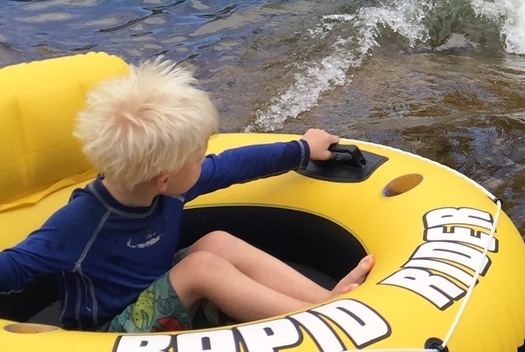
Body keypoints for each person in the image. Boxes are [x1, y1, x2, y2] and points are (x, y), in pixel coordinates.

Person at [0, 59, 374, 333]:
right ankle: (316, 320)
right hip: (108, 337)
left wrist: (303, 149)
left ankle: (324, 299)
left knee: (216, 242)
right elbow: (16, 266)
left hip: (155, 293)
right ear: (164, 179)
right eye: (198, 158)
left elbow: (233, 165)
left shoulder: (162, 187)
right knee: (200, 268)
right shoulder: (81, 223)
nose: (205, 162)